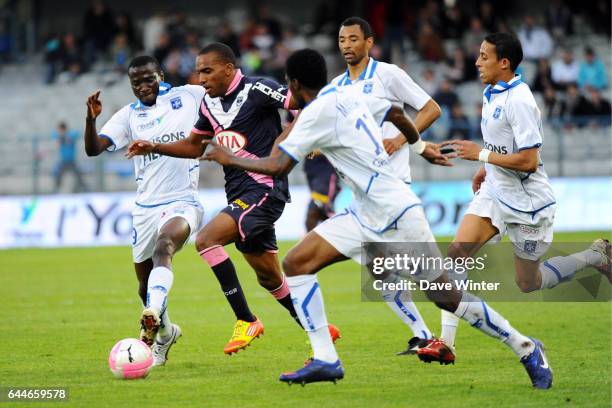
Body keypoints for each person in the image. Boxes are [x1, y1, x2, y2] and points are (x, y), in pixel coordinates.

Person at [202, 48, 554, 389]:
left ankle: (525, 346)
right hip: (362, 212)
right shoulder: (349, 92)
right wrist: (420, 148)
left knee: (445, 296)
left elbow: (277, 166)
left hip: (397, 211)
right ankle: (326, 358)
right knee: (296, 263)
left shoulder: (315, 114)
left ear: (293, 84)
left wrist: (229, 158)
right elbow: (396, 115)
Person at [126, 43, 340, 355]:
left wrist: (301, 139)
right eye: (199, 71)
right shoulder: (208, 106)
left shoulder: (259, 89)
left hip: (265, 188)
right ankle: (317, 328)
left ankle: (245, 319)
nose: (201, 79)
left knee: (207, 240)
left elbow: (305, 102)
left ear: (229, 69)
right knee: (269, 277)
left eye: (207, 71)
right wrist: (153, 147)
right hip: (239, 194)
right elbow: (194, 146)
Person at [426, 33, 611, 361]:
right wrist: (486, 169)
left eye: (484, 56)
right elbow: (502, 145)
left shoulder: (521, 100)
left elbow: (527, 160)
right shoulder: (491, 91)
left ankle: (595, 255)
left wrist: (482, 157)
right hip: (496, 191)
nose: (477, 61)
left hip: (529, 205)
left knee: (529, 282)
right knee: (455, 254)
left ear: (504, 63)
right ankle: (446, 343)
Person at [84, 55, 205, 366]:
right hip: (144, 208)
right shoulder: (129, 116)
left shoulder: (187, 96)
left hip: (182, 201)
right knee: (143, 282)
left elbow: (224, 98)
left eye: (148, 78)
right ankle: (165, 332)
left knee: (165, 246)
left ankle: (149, 319)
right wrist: (90, 119)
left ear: (160, 75)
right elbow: (94, 148)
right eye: (136, 82)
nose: (142, 86)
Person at [333, 16, 444, 354]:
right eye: (341, 40)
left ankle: (462, 310)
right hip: (362, 195)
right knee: (379, 271)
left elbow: (431, 108)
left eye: (353, 39)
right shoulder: (337, 86)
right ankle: (423, 334)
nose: (347, 45)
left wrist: (401, 139)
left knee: (424, 273)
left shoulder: (388, 75)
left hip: (393, 189)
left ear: (369, 42)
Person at [303, 154, 341, 232]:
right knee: (322, 213)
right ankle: (338, 239)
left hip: (325, 174)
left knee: (313, 211)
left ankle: (310, 242)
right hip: (312, 172)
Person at [53, 121, 88, 193]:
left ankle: (84, 190)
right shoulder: (59, 137)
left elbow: (76, 134)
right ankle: (55, 191)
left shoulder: (70, 135)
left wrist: (67, 137)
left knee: (79, 176)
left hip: (72, 161)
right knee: (58, 176)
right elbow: (54, 137)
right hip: (63, 161)